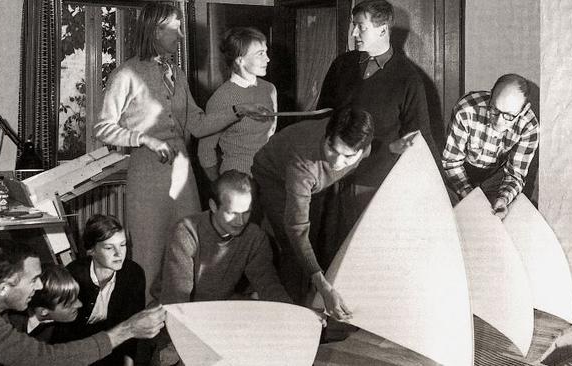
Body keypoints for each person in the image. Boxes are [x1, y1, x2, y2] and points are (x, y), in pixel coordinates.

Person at [93, 3, 271, 298]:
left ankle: (188, 320)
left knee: (192, 248)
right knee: (148, 253)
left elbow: (199, 124)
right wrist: (144, 139)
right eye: (175, 27)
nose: (181, 35)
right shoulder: (127, 73)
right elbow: (102, 127)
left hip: (183, 173)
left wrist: (240, 109)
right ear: (155, 30)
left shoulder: (177, 72)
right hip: (147, 174)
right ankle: (146, 329)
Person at [316, 0, 437, 244]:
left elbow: (419, 138)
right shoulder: (342, 65)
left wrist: (439, 189)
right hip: (332, 179)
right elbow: (321, 117)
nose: (353, 33)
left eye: (360, 27)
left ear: (382, 30)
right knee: (328, 251)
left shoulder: (408, 79)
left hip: (374, 186)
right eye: (354, 26)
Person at [0, 239, 166, 366]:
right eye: (33, 280)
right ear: (4, 286)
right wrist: (127, 330)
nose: (40, 287)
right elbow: (46, 361)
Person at [251, 107, 374, 321]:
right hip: (274, 176)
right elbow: (297, 231)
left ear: (362, 151)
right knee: (293, 249)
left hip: (316, 183)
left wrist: (395, 146)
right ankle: (289, 319)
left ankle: (312, 308)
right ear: (327, 137)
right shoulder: (302, 164)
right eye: (332, 149)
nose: (336, 162)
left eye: (347, 156)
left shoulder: (364, 147)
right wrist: (324, 287)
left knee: (318, 240)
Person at [152, 170, 290, 304]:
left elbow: (269, 286)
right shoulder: (186, 232)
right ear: (213, 206)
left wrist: (291, 315)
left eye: (246, 213)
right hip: (173, 310)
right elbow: (177, 299)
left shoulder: (255, 237)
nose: (240, 221)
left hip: (220, 305)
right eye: (232, 213)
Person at [442, 73, 539, 219]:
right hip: (461, 171)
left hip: (497, 176)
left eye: (509, 116)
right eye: (495, 110)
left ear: (524, 109)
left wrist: (504, 199)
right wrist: (471, 197)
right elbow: (451, 163)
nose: (499, 121)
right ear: (491, 94)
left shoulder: (530, 127)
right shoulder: (466, 110)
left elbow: (514, 174)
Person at [61, 214, 146, 366]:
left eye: (123, 245)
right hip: (74, 348)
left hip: (112, 345)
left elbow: (131, 325)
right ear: (91, 250)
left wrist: (128, 363)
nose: (119, 254)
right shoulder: (72, 274)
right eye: (109, 247)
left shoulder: (134, 274)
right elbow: (63, 332)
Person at [198, 27, 277, 180]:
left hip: (269, 175)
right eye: (260, 54)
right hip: (237, 178)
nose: (267, 59)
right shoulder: (221, 98)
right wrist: (220, 188)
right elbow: (205, 151)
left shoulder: (269, 89)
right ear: (240, 60)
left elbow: (271, 134)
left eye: (266, 52)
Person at [6, 264, 82, 343]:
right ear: (43, 311)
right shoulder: (7, 322)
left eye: (77, 298)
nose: (80, 304)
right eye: (69, 304)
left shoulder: (66, 333)